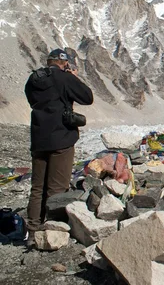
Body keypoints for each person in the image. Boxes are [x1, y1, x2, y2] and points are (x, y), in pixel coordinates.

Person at [24, 49, 93, 240]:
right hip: (61, 138)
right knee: (57, 187)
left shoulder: (34, 79)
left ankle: (32, 230)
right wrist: (74, 77)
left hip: (39, 138)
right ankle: (51, 232)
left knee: (37, 187)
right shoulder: (64, 78)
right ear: (63, 63)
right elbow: (87, 97)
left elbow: (32, 101)